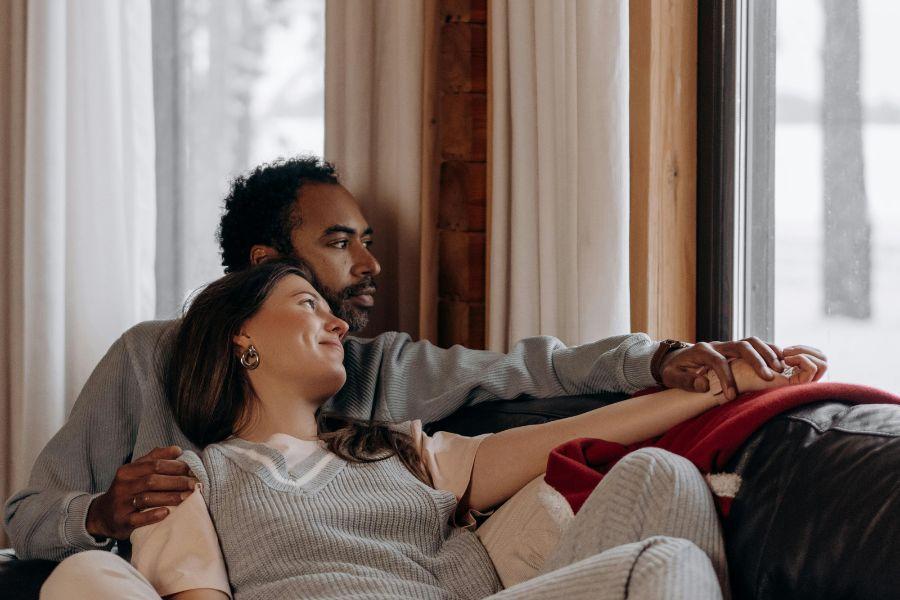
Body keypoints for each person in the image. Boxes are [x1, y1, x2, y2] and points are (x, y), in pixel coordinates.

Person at [4, 157, 827, 562]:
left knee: (662, 490)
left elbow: (533, 368)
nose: (370, 265)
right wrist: (102, 515)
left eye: (368, 241)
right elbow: (26, 516)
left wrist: (672, 361)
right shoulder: (148, 360)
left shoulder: (375, 373)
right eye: (340, 244)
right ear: (264, 265)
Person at [40, 260, 825, 599]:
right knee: (665, 566)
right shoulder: (188, 479)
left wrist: (717, 384)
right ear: (240, 339)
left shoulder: (396, 447)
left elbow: (577, 434)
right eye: (307, 304)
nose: (335, 321)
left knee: (662, 475)